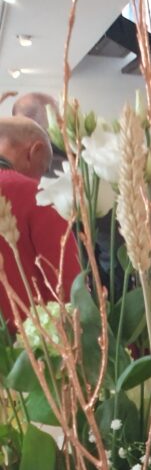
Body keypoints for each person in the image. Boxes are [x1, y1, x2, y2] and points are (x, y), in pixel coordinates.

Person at [0, 117, 78, 329]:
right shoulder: (37, 196)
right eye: (43, 170)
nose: (40, 178)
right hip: (25, 343)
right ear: (34, 151)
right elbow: (68, 288)